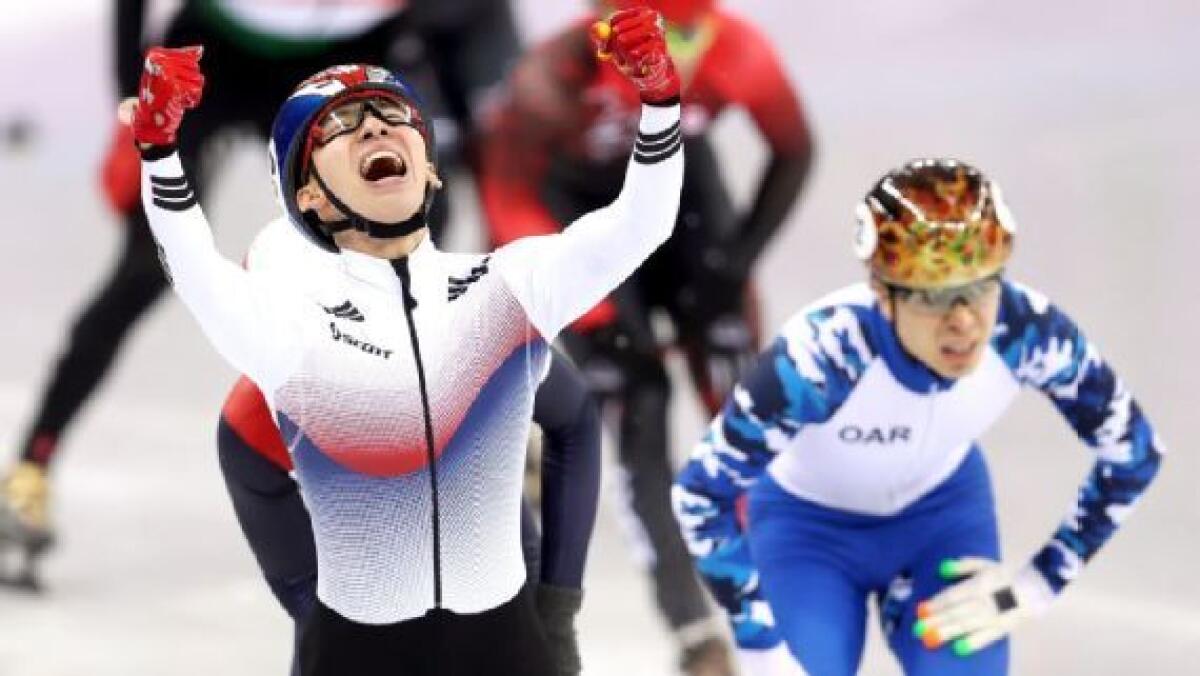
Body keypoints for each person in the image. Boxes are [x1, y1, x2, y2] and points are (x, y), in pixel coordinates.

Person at [124, 3, 683, 673]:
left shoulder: (508, 287)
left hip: (505, 642)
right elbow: (193, 267)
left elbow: (641, 223)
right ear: (311, 200)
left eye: (394, 117)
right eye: (341, 127)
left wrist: (659, 101)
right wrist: (158, 154)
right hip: (358, 648)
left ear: (432, 168)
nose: (374, 128)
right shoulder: (289, 323)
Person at [672, 158, 1164, 675]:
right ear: (883, 295)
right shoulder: (821, 355)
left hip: (940, 525)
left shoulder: (1027, 332)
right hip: (805, 530)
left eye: (980, 287)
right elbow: (700, 493)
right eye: (935, 296)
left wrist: (1033, 588)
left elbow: (1134, 452)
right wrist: (763, 650)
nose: (965, 323)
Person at [0, 0, 422, 588]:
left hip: (343, 60)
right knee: (146, 267)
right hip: (213, 55)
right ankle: (31, 469)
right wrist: (134, 95)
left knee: (395, 255)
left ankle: (412, 470)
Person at [477, 1, 814, 672]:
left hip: (683, 199)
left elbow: (796, 149)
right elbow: (508, 198)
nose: (672, 51)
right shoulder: (551, 77)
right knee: (641, 408)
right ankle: (693, 630)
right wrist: (590, 316)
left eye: (688, 35)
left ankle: (776, 589)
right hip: (572, 212)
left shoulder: (740, 50)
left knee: (736, 394)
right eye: (656, 34)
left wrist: (737, 261)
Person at [218, 348, 601, 676]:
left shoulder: (473, 334)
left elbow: (577, 419)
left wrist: (557, 610)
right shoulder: (250, 422)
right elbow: (306, 595)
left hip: (487, 563)